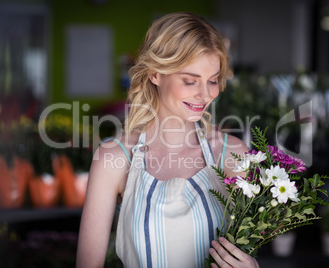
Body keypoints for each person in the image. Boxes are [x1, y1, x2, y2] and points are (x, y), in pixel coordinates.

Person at [76, 12, 259, 268]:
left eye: (213, 81)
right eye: (189, 81)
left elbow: (250, 246)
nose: (204, 95)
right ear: (155, 74)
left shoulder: (231, 153)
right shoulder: (114, 158)